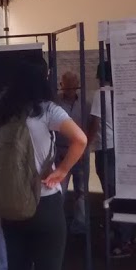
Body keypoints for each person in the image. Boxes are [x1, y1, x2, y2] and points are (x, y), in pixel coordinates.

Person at [0, 59, 92, 270]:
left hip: (12, 208)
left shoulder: (4, 111)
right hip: (45, 206)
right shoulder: (47, 111)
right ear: (43, 78)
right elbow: (80, 139)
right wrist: (62, 171)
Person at [87, 62, 136, 258]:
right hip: (122, 148)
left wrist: (84, 145)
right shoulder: (122, 93)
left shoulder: (101, 94)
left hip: (106, 148)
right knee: (121, 192)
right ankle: (127, 234)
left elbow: (95, 123)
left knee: (111, 193)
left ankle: (122, 241)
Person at [57, 71, 89, 235]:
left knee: (81, 191)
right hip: (61, 151)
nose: (70, 89)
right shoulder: (55, 104)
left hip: (80, 152)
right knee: (59, 190)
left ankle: (80, 224)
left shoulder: (85, 104)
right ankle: (58, 224)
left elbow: (89, 127)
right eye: (67, 85)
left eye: (73, 85)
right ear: (61, 85)